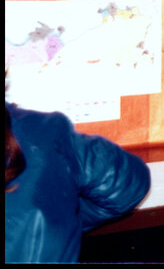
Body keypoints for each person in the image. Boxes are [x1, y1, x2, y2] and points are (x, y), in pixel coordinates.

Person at [5, 101, 152, 263]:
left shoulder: (40, 132)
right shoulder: (41, 131)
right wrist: (59, 214)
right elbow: (128, 184)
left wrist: (62, 210)